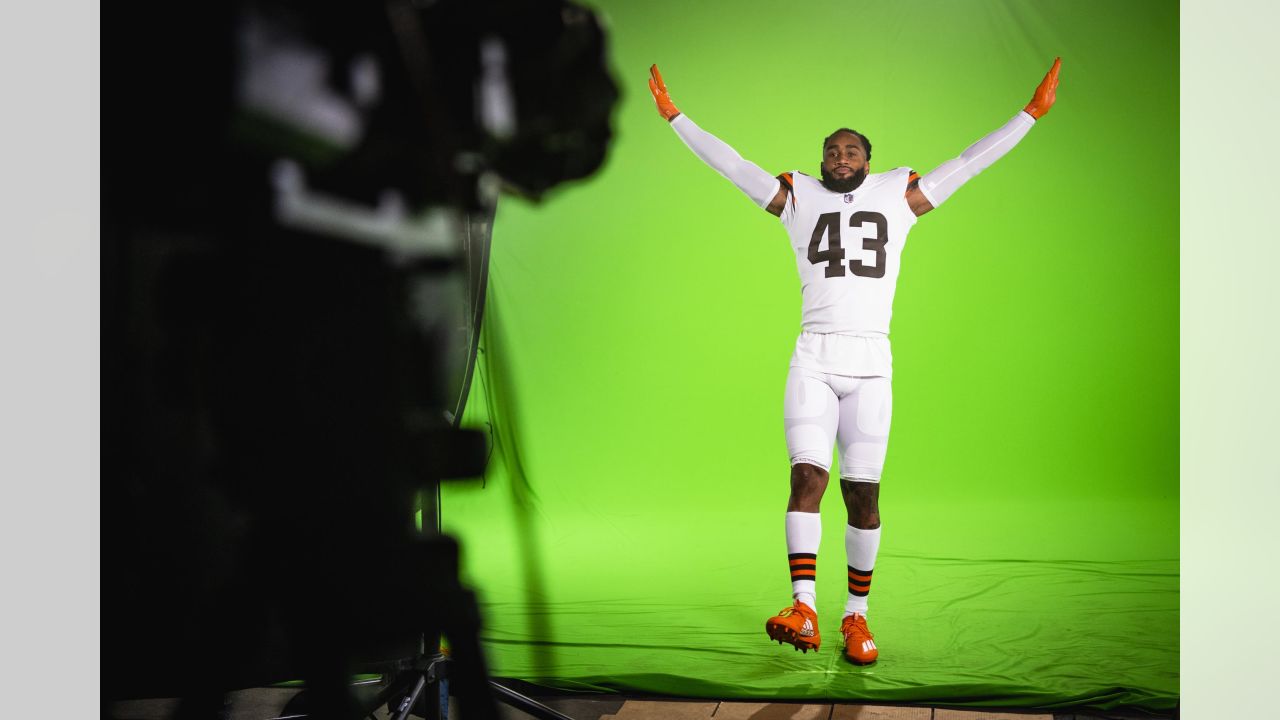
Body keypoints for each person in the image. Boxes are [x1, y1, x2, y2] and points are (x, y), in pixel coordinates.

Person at [648, 58, 1061, 665]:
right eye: (830, 151)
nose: (840, 157)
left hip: (872, 364)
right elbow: (732, 164)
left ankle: (856, 618)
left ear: (869, 159)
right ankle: (804, 606)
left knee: (864, 496)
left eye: (850, 150)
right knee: (806, 479)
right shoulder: (797, 198)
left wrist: (1029, 114)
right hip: (813, 357)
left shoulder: (900, 195)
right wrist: (676, 117)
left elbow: (970, 162)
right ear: (821, 163)